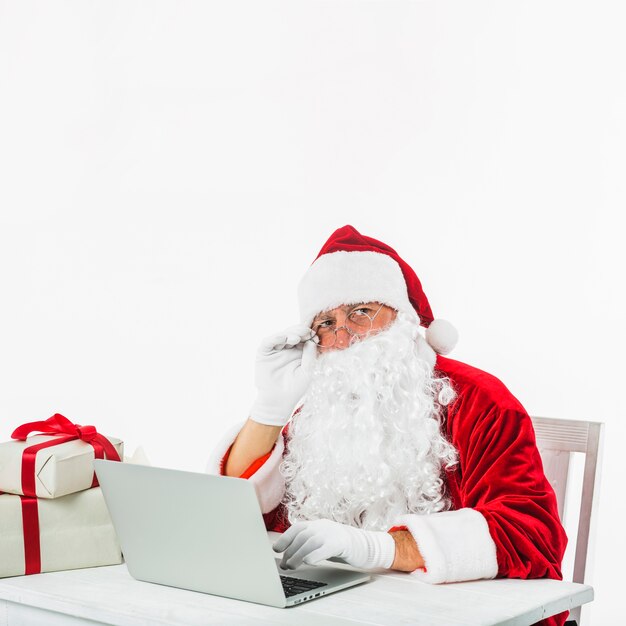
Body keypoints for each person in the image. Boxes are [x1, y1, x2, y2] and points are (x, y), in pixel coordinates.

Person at [206, 224, 568, 626]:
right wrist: (270, 407)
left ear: (404, 318)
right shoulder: (319, 411)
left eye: (361, 313)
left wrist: (379, 548)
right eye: (325, 323)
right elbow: (249, 517)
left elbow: (532, 534)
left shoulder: (479, 399)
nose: (343, 339)